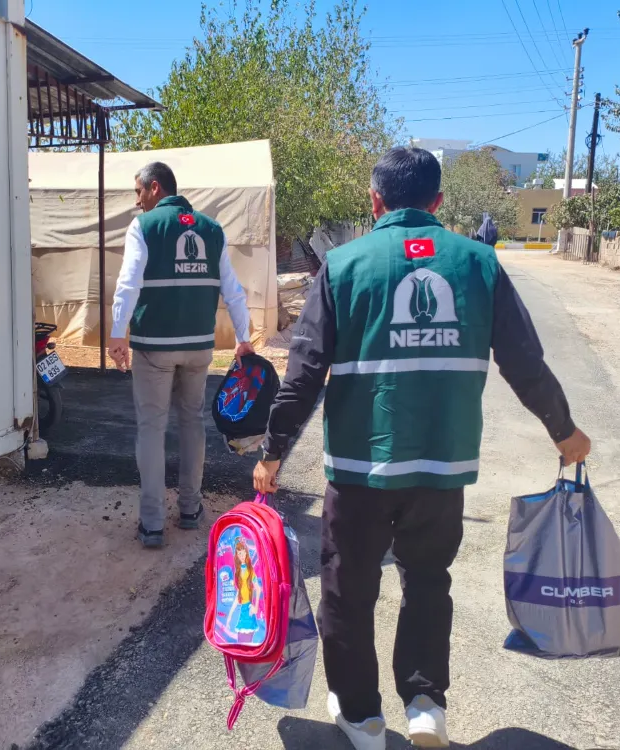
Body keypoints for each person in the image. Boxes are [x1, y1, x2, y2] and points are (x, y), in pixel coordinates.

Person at [252, 147, 591, 750]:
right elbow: (525, 362)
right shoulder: (478, 263)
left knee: (348, 589)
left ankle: (361, 718)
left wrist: (272, 452)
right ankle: (425, 703)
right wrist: (563, 431)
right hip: (442, 467)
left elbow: (303, 372)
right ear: (438, 203)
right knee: (429, 581)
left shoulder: (345, 265)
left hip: (360, 469)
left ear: (375, 201)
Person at [109, 161, 254, 549]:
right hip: (198, 347)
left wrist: (116, 332)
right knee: (193, 423)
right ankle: (190, 509)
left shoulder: (144, 227)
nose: (137, 200)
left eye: (138, 191)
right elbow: (234, 290)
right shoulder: (212, 229)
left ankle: (153, 524)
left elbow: (128, 282)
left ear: (155, 188)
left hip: (154, 347)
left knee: (152, 429)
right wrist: (244, 337)